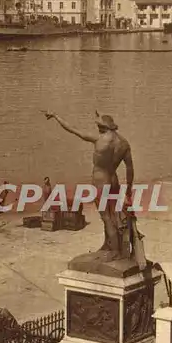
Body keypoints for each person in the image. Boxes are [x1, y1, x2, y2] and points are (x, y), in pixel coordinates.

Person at [45, 110, 139, 262]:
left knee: (106, 217)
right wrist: (129, 189)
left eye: (99, 126)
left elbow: (73, 130)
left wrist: (56, 116)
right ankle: (109, 245)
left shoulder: (100, 139)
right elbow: (129, 168)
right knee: (114, 214)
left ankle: (114, 251)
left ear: (103, 127)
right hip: (113, 180)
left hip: (101, 181)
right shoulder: (123, 143)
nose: (97, 128)